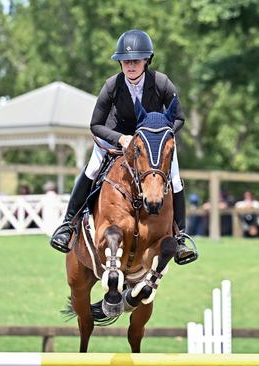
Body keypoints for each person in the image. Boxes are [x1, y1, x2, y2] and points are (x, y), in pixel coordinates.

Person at [49, 29, 197, 264]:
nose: (130, 66)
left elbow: (178, 118)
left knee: (176, 178)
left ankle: (180, 239)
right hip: (116, 139)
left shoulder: (160, 82)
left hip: (152, 143)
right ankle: (68, 225)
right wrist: (121, 139)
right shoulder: (112, 85)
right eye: (125, 61)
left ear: (146, 60)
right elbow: (95, 124)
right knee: (92, 168)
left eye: (135, 61)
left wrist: (159, 136)